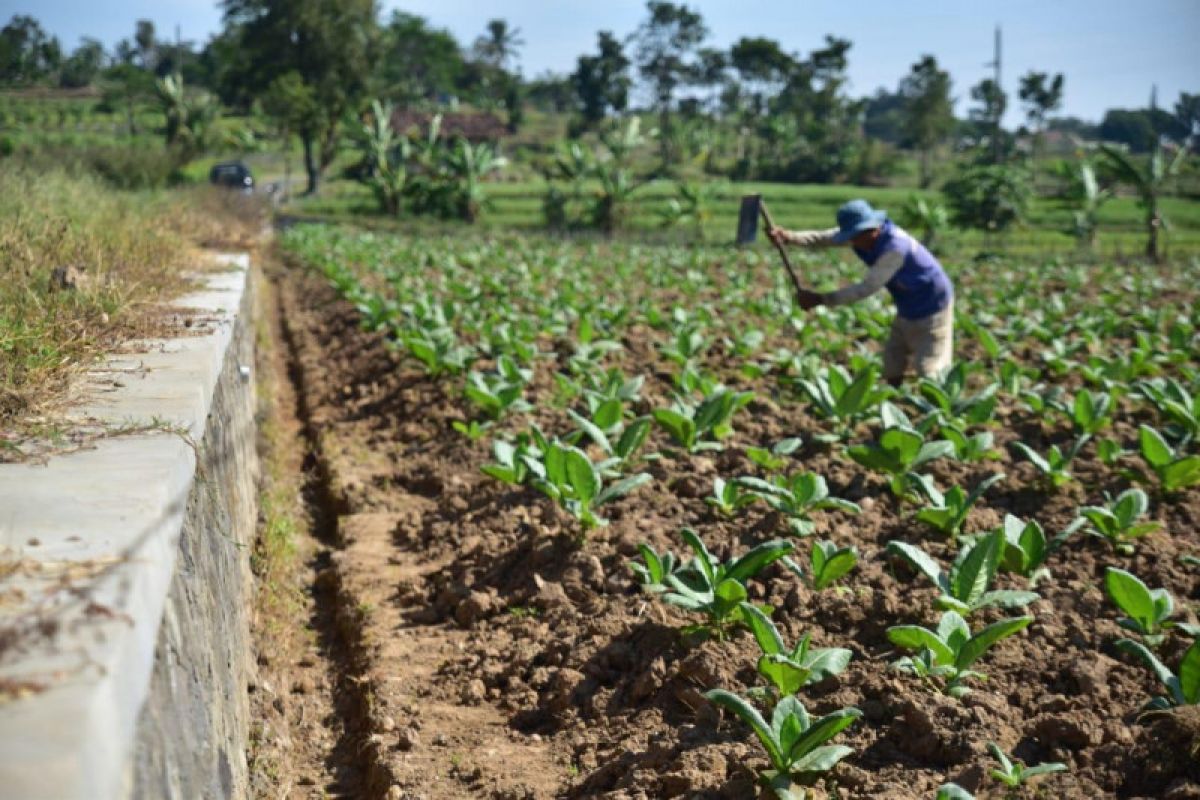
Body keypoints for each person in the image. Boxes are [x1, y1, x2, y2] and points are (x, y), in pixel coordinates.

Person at [768, 198, 954, 386]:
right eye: (850, 237)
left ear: (872, 229)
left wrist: (821, 299)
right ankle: (892, 402)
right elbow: (824, 237)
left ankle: (942, 410)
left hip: (932, 304)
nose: (852, 242)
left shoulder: (895, 249)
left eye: (855, 236)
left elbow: (866, 288)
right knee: (892, 360)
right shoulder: (863, 237)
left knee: (929, 368)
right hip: (907, 303)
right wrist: (789, 237)